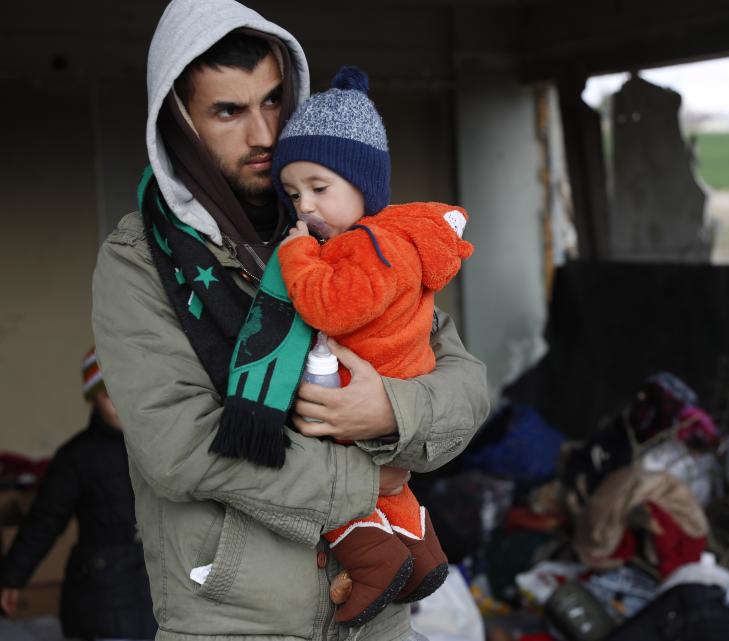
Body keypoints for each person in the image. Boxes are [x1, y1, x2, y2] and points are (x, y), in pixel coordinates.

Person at [91, 1, 490, 640]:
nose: (264, 134)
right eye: (229, 111)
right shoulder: (140, 260)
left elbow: (464, 380)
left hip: (377, 620)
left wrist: (390, 411)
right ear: (179, 123)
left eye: (274, 102)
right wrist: (364, 479)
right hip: (241, 624)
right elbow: (178, 447)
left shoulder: (343, 228)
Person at [260, 67, 472, 626]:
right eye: (292, 192)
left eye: (319, 188)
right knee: (387, 488)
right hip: (397, 395)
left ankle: (373, 561)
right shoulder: (396, 239)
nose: (303, 206)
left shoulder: (372, 249)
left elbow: (329, 307)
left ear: (365, 186)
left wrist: (298, 257)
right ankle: (420, 554)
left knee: (332, 485)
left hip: (370, 391)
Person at [0, 349, 156, 641]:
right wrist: (11, 577)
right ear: (93, 399)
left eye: (129, 390)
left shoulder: (159, 446)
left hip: (156, 590)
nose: (122, 402)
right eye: (111, 395)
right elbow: (42, 522)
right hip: (102, 593)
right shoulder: (77, 456)